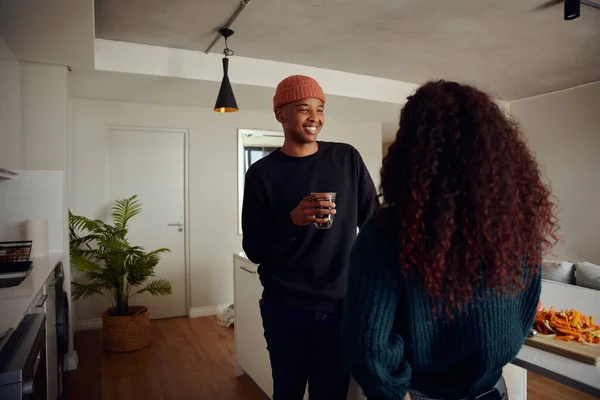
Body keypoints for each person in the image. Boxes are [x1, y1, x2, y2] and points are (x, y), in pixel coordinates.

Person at [342, 81, 558, 400]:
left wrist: (390, 391)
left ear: (411, 150)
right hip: (493, 390)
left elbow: (368, 346)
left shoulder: (386, 230)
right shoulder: (517, 224)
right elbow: (524, 313)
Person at [241, 75, 378, 400]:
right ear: (281, 115)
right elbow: (254, 249)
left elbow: (374, 222)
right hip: (285, 308)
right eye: (303, 109)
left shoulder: (346, 158)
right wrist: (292, 220)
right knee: (287, 392)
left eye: (320, 108)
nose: (314, 117)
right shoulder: (262, 173)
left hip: (339, 308)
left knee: (330, 394)